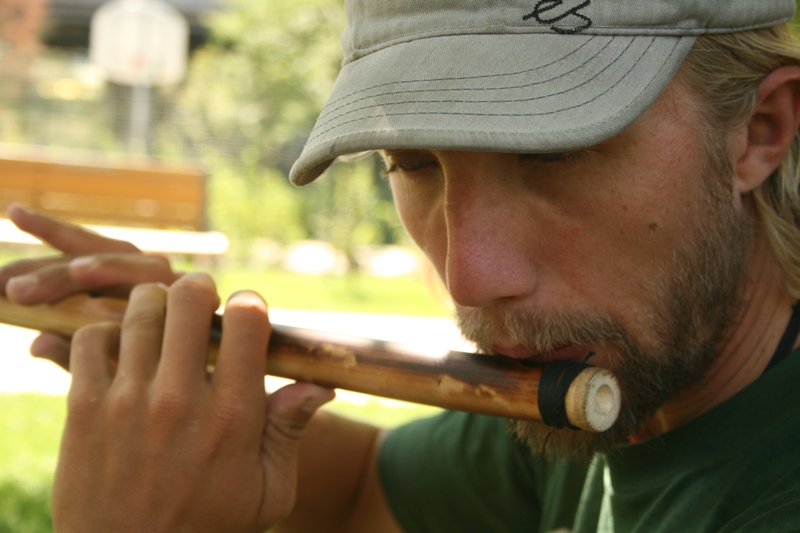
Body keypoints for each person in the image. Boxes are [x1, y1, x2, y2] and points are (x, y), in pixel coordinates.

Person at [3, 0, 800, 531]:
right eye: (414, 162)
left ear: (761, 129)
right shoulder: (640, 397)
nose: (468, 275)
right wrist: (190, 383)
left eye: (553, 152)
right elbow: (361, 491)